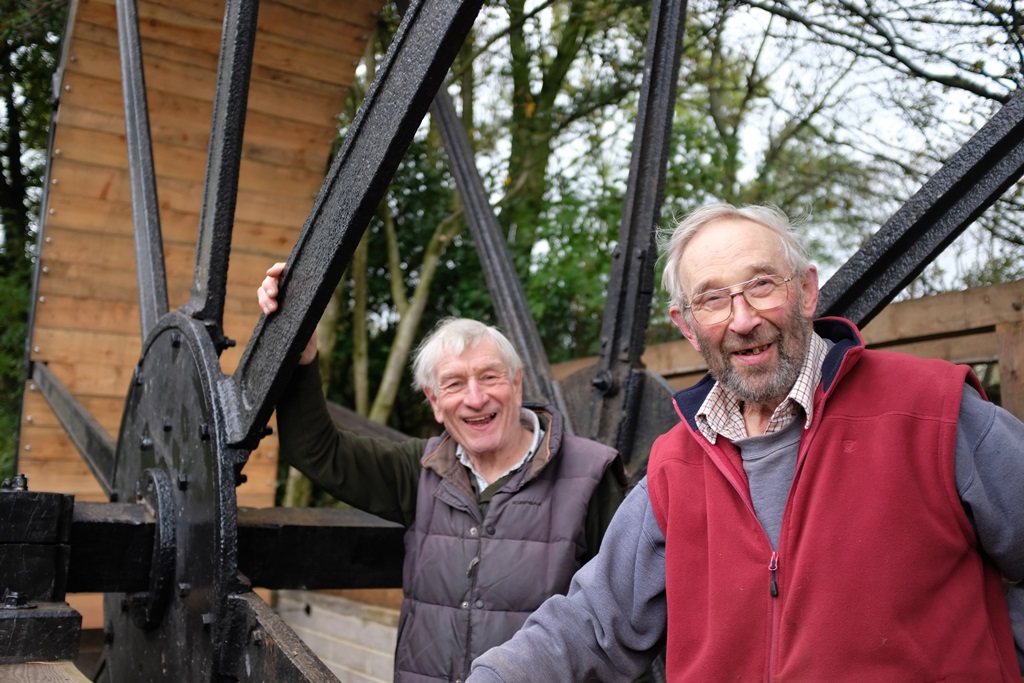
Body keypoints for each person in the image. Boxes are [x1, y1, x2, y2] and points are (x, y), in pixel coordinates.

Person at [467, 203, 1024, 681]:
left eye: (761, 285)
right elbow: (594, 621)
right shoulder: (677, 464)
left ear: (806, 291)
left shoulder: (933, 411)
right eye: (712, 299)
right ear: (686, 326)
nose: (742, 319)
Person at [257, 262, 626, 682]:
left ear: (517, 384)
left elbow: (625, 619)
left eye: (490, 376)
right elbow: (316, 452)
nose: (475, 397)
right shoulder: (420, 471)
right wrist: (301, 354)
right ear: (434, 402)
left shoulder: (589, 474)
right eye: (454, 384)